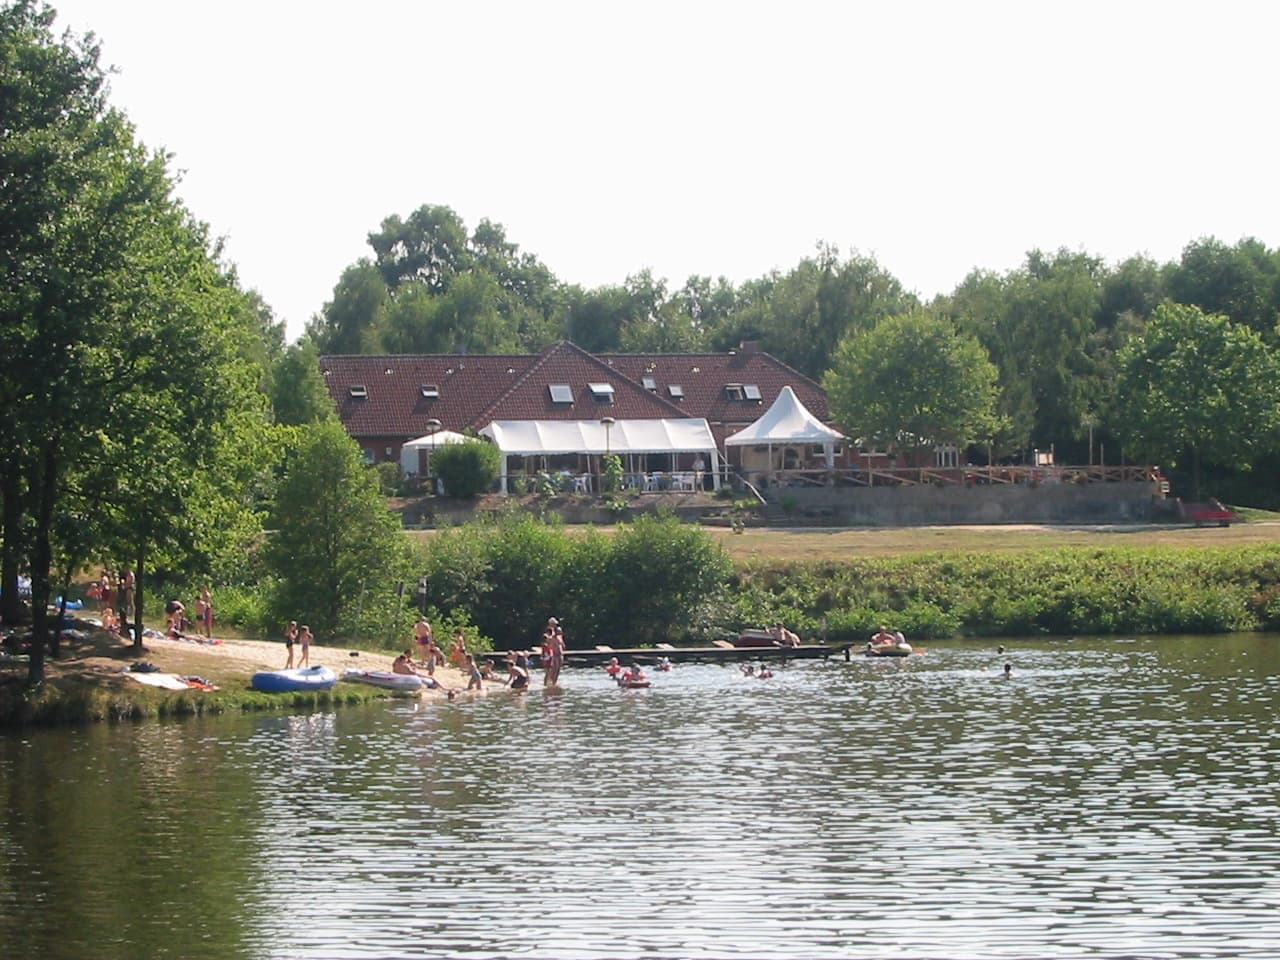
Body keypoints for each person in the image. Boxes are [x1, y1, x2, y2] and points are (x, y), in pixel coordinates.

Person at [542, 616, 564, 686]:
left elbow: (561, 642)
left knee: (557, 670)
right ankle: (549, 683)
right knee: (552, 670)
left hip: (559, 653)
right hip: (553, 654)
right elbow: (546, 641)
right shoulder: (549, 632)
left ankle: (554, 683)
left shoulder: (558, 633)